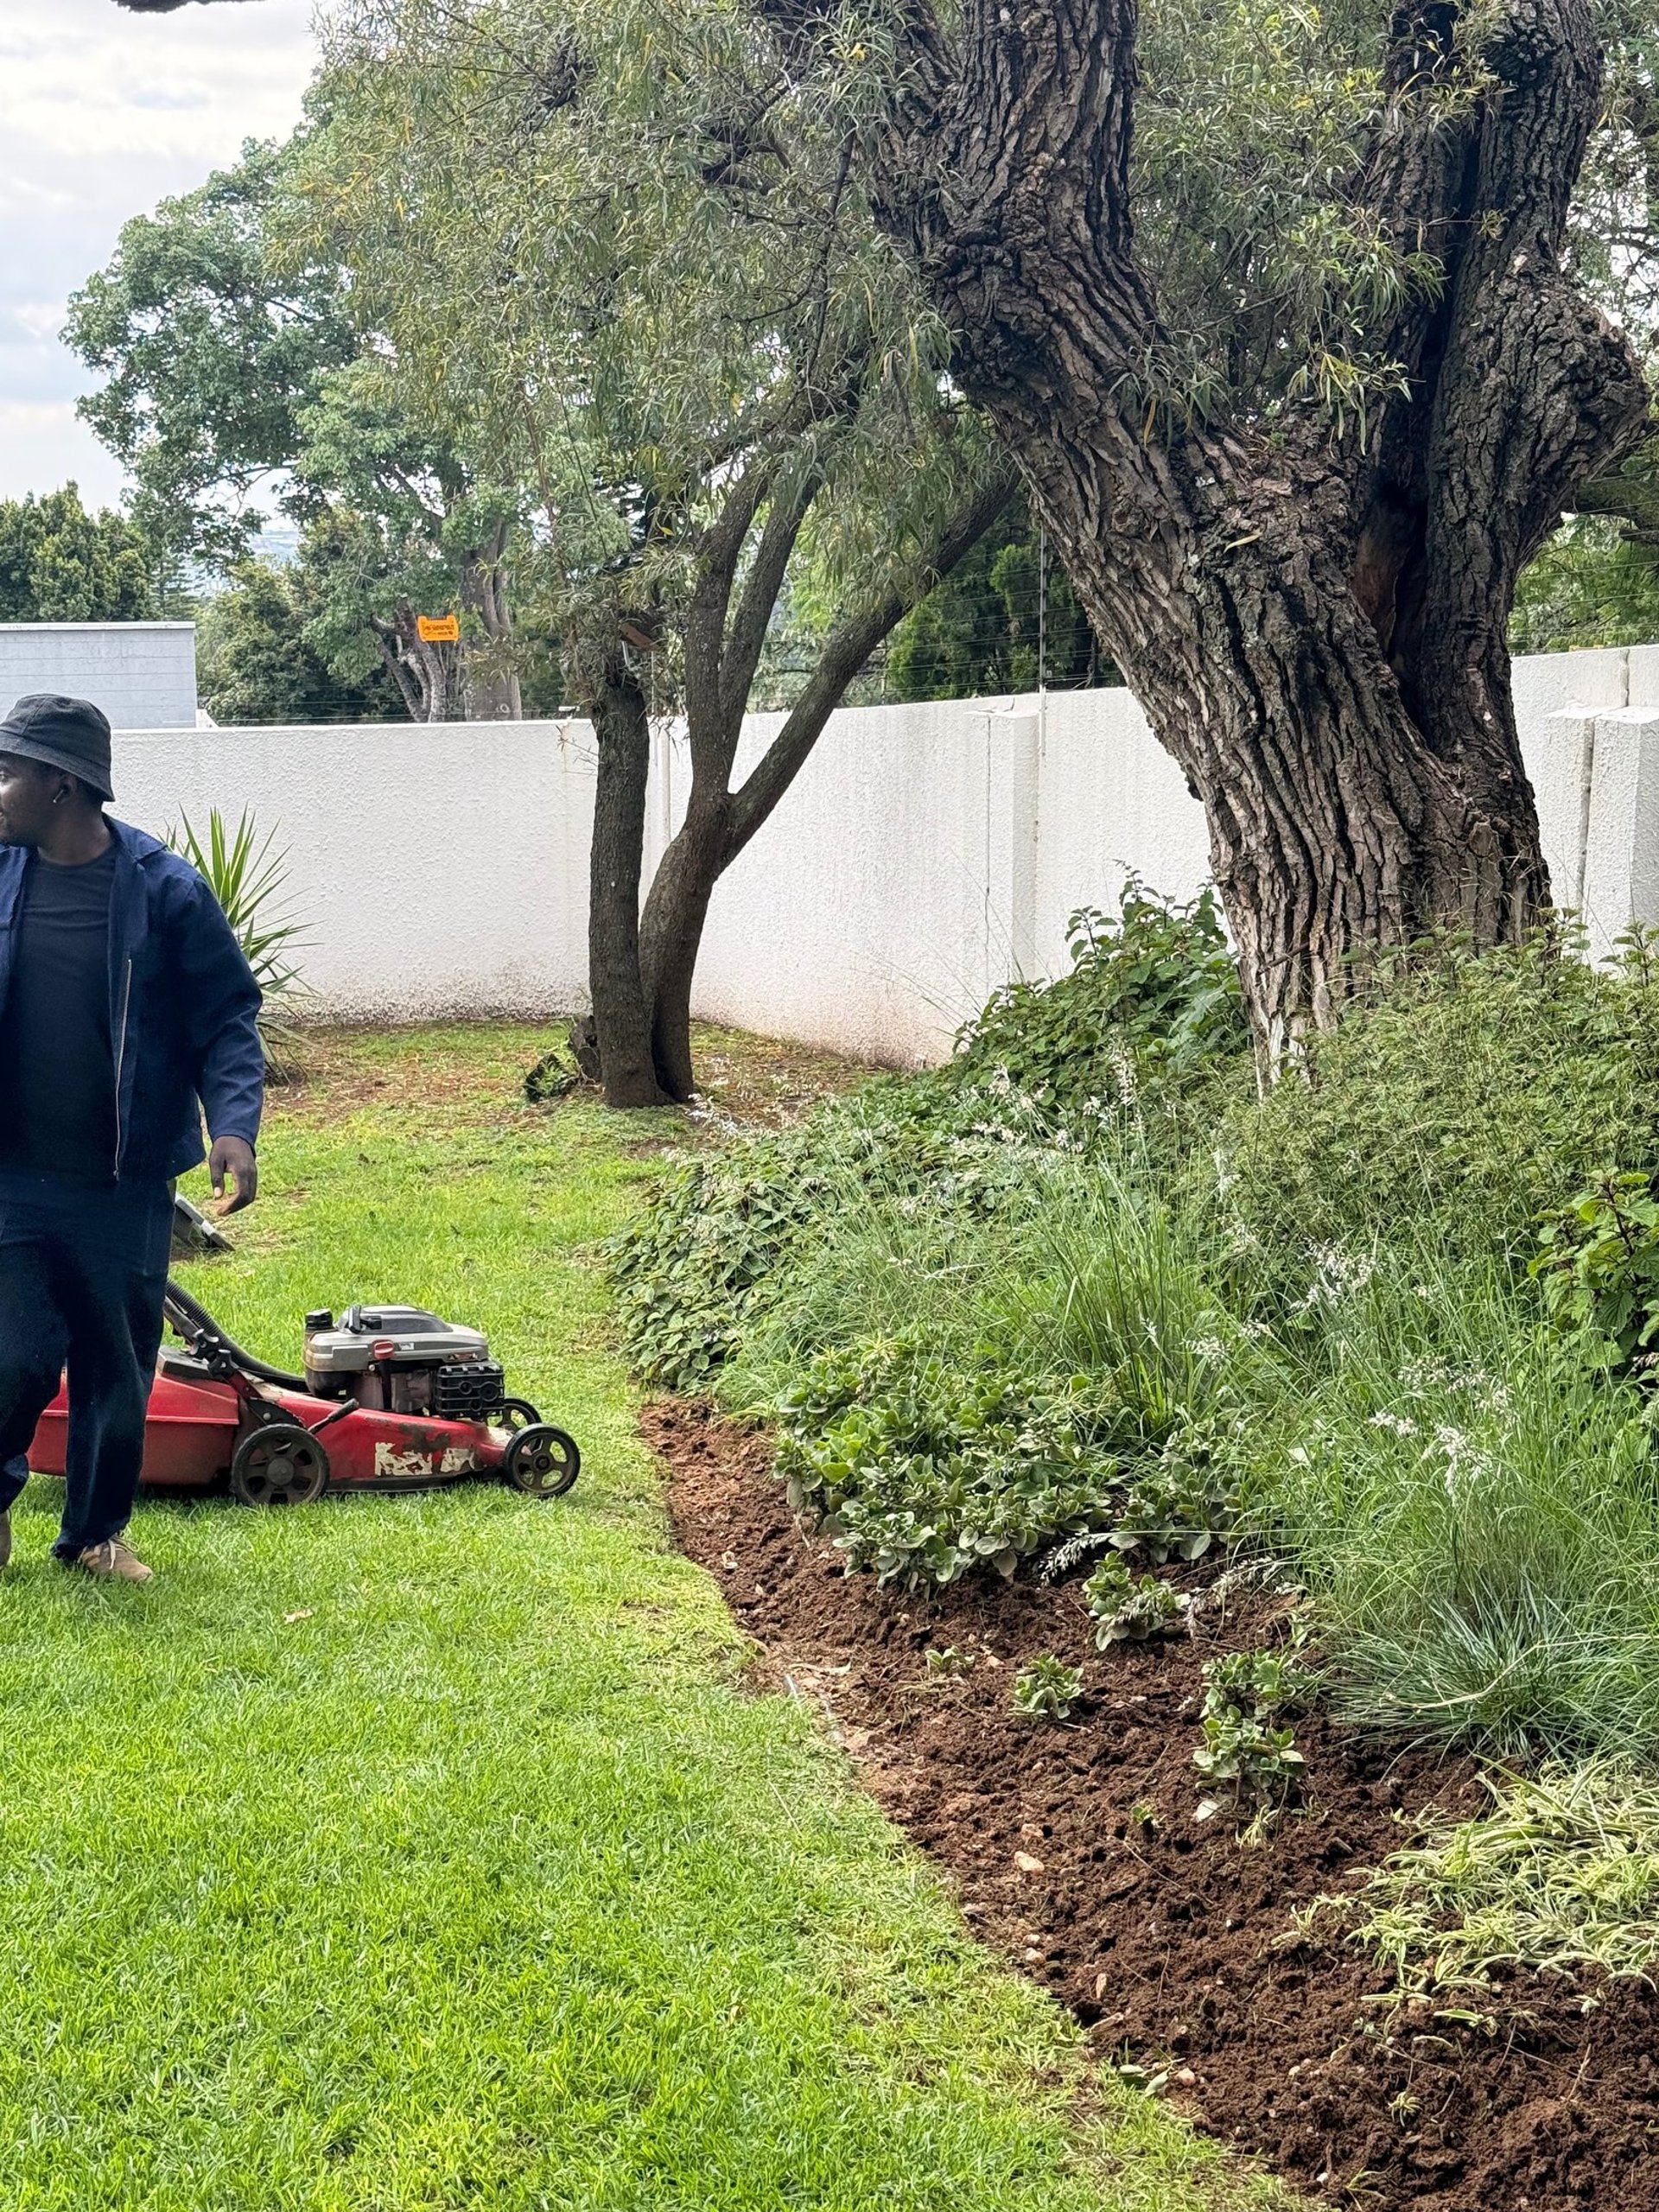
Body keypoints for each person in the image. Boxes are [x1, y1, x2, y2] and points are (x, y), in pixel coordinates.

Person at [0, 695, 263, 1582]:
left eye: (9, 772)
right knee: (14, 1353)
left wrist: (233, 1125)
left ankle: (94, 1533)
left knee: (115, 1367)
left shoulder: (164, 889)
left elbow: (227, 1015)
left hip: (124, 1180)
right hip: (13, 1175)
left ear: (61, 785)